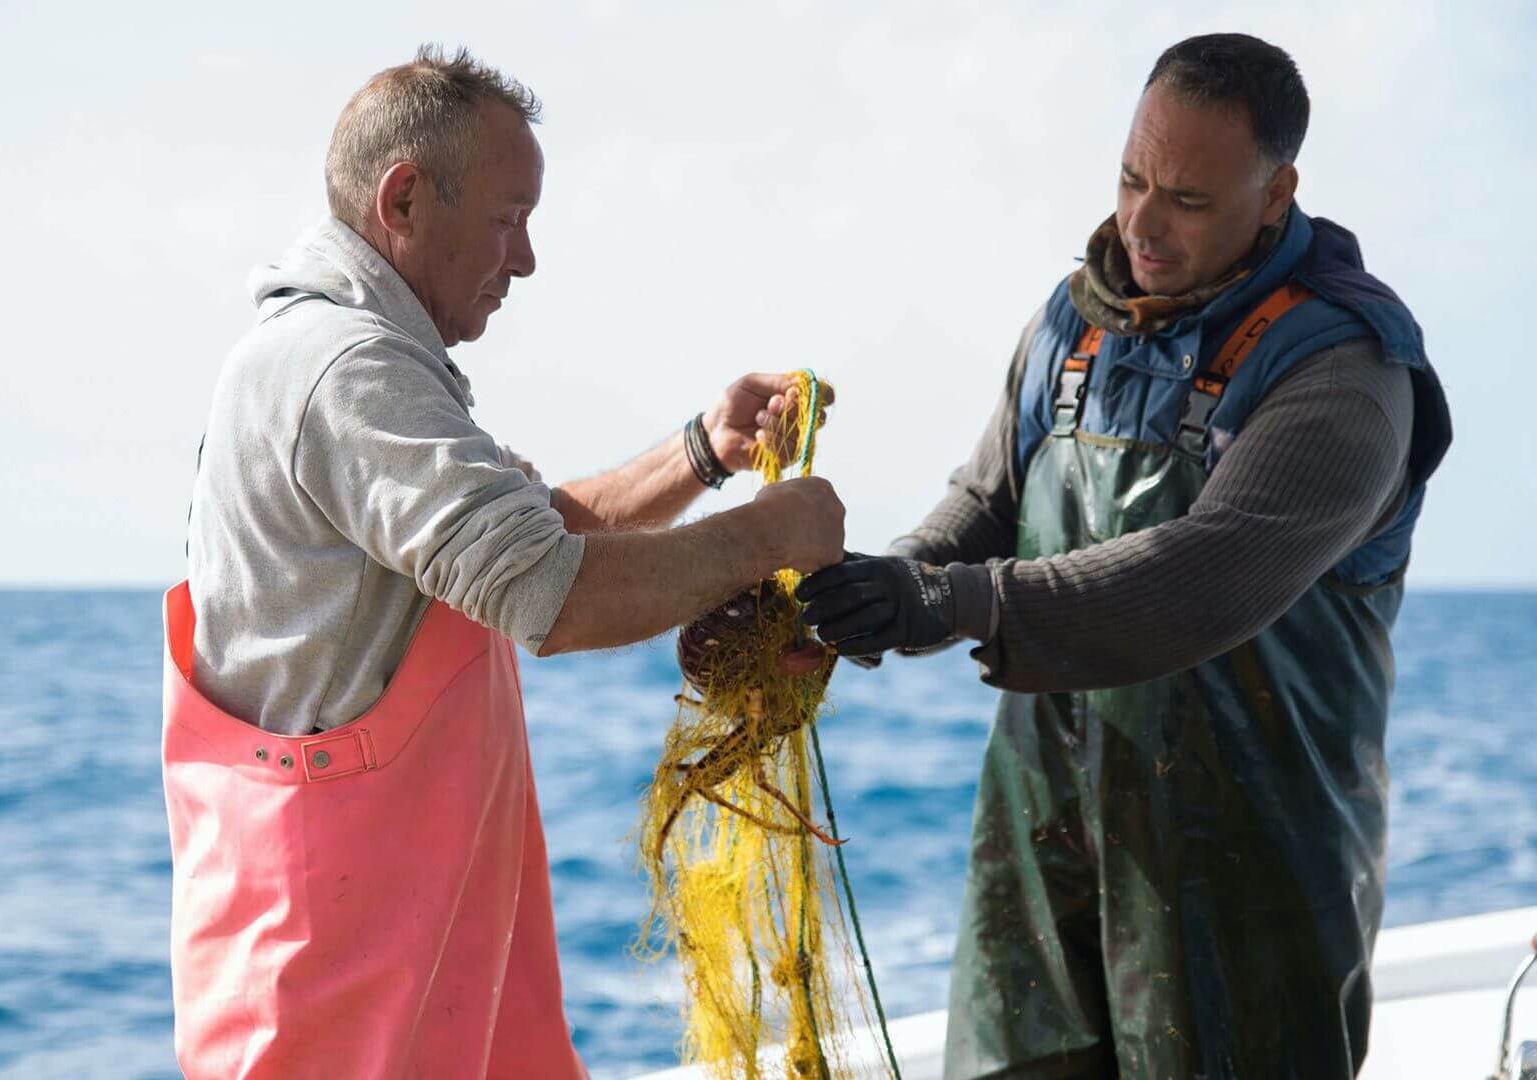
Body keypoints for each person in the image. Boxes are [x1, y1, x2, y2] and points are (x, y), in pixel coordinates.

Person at [163, 45, 843, 1079]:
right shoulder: (343, 369)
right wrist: (769, 535)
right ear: (401, 199)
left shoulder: (364, 359)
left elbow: (524, 535)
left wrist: (705, 451)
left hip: (422, 939)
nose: (522, 260)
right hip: (333, 970)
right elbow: (545, 595)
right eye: (505, 219)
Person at [794, 33, 1451, 1079]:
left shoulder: (1347, 373)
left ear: (1276, 191)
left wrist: (948, 601)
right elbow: (984, 502)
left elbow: (1203, 575)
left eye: (1187, 199)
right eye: (1131, 179)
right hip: (1045, 846)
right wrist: (867, 593)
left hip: (1250, 876)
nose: (1142, 222)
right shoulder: (1070, 323)